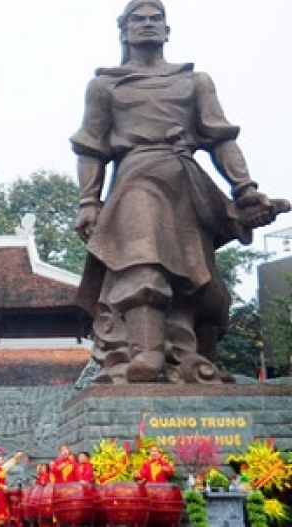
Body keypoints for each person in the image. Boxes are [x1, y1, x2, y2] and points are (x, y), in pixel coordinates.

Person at [71, 0, 288, 384]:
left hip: (187, 182)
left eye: (157, 19)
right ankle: (146, 354)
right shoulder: (105, 86)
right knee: (142, 261)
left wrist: (245, 188)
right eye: (139, 20)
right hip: (137, 178)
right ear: (124, 31)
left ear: (168, 31)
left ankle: (188, 357)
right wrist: (89, 200)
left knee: (201, 284)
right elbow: (92, 148)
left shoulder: (194, 81)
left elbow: (220, 139)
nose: (148, 25)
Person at [0, 452, 24, 524]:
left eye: (2, 460)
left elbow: (10, 463)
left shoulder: (2, 469)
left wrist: (16, 457)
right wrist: (1, 486)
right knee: (1, 496)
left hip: (4, 490)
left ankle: (12, 515)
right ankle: (0, 516)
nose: (0, 461)